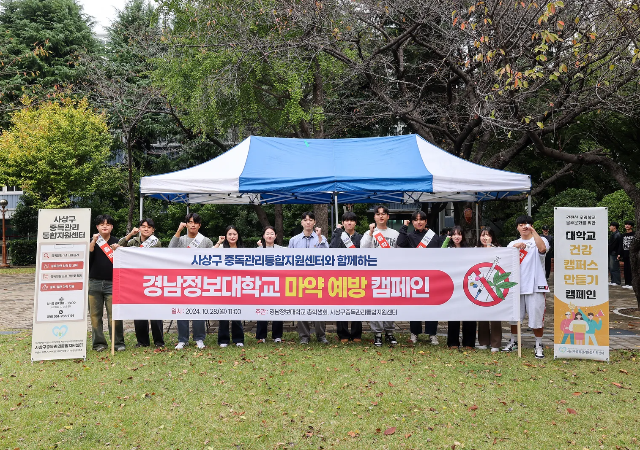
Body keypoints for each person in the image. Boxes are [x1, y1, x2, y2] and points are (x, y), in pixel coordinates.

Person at [502, 216, 549, 359]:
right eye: (521, 225)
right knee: (515, 317)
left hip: (535, 285)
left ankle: (538, 345)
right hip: (516, 286)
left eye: (527, 225)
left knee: (536, 317)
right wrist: (515, 248)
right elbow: (504, 260)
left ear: (532, 226)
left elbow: (543, 249)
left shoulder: (540, 240)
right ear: (517, 227)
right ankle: (513, 341)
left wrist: (534, 232)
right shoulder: (513, 243)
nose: (524, 227)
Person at [114, 218, 164, 348]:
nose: (146, 229)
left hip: (152, 279)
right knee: (138, 310)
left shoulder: (156, 242)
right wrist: (130, 234)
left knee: (155, 312)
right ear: (139, 228)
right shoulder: (133, 241)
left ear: (153, 230)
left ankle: (159, 341)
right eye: (143, 226)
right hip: (136, 280)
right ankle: (142, 341)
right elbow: (118, 247)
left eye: (149, 227)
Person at [169, 213, 213, 350]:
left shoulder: (206, 241)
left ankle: (199, 338)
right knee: (182, 310)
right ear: (186, 224)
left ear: (199, 225)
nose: (192, 225)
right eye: (190, 222)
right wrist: (178, 230)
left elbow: (212, 260)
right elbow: (170, 250)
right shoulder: (181, 239)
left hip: (200, 280)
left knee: (198, 310)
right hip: (182, 279)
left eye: (195, 222)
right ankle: (183, 339)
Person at [397, 210, 440, 346]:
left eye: (421, 219)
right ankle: (414, 333)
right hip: (414, 277)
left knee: (431, 306)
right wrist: (404, 227)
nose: (419, 222)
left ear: (426, 221)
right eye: (415, 220)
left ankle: (432, 334)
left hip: (431, 276)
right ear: (413, 222)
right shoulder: (409, 236)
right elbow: (400, 243)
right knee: (415, 306)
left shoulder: (434, 237)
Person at [360, 205, 399, 347]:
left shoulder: (395, 234)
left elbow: (400, 253)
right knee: (375, 304)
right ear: (374, 217)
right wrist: (371, 233)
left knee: (390, 303)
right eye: (378, 214)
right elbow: (362, 249)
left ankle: (389, 331)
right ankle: (377, 333)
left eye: (384, 214)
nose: (381, 216)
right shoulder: (369, 233)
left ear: (388, 216)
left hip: (390, 274)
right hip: (374, 274)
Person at [288, 211, 329, 344]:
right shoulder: (294, 240)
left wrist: (320, 239)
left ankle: (321, 335)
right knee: (301, 308)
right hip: (299, 279)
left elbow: (328, 256)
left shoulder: (321, 238)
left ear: (315, 222)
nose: (308, 222)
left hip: (317, 279)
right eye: (305, 220)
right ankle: (304, 336)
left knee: (319, 308)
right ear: (301, 222)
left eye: (311, 220)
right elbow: (289, 260)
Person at [88, 214, 125, 351]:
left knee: (114, 315)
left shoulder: (116, 242)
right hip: (94, 283)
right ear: (97, 227)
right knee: (95, 316)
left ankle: (118, 343)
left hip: (112, 283)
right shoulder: (93, 241)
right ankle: (99, 344)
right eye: (102, 224)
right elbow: (87, 256)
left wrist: (118, 250)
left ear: (112, 227)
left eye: (107, 224)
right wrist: (93, 241)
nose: (105, 226)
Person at [330, 211, 363, 343]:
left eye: (352, 220)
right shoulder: (338, 235)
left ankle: (356, 334)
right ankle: (343, 334)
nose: (349, 223)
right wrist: (337, 233)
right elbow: (332, 249)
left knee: (357, 304)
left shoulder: (360, 237)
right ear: (343, 223)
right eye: (346, 221)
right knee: (341, 305)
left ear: (355, 222)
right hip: (340, 275)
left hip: (357, 275)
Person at [214, 225, 245, 348]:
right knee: (224, 313)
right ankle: (223, 339)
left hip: (238, 284)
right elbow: (207, 255)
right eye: (230, 234)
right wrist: (218, 242)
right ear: (226, 236)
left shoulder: (242, 249)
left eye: (234, 234)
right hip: (223, 284)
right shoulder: (221, 248)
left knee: (237, 313)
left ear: (238, 236)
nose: (232, 237)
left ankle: (238, 339)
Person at [446, 226, 477, 348]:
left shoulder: (469, 250)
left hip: (467, 285)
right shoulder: (447, 249)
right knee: (453, 314)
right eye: (454, 234)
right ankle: (453, 342)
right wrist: (446, 239)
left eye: (459, 234)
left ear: (462, 236)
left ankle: (469, 343)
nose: (456, 237)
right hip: (452, 285)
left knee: (469, 314)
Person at [256, 226, 284, 344]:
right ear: (263, 236)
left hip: (278, 283)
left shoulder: (282, 249)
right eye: (267, 233)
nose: (269, 236)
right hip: (262, 283)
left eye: (272, 233)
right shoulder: (258, 250)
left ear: (275, 236)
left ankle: (277, 336)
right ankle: (261, 336)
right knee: (262, 310)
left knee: (278, 310)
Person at [476, 228, 502, 352]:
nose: (485, 238)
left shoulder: (499, 250)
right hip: (480, 285)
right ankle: (483, 341)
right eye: (482, 235)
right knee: (482, 315)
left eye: (487, 235)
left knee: (496, 314)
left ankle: (496, 343)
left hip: (495, 285)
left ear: (492, 237)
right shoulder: (476, 250)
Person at [619, 220, 634, 289]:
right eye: (626, 224)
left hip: (633, 255)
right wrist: (619, 254)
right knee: (626, 269)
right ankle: (627, 283)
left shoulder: (634, 235)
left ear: (632, 226)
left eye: (628, 224)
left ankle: (632, 283)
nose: (627, 226)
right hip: (625, 254)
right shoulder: (623, 235)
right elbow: (621, 245)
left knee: (632, 269)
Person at [608, 221, 622, 286]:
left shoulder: (617, 235)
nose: (609, 227)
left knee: (614, 267)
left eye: (610, 226)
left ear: (614, 227)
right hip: (612, 253)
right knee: (611, 267)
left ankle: (616, 281)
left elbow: (614, 245)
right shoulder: (614, 234)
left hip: (614, 253)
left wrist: (619, 254)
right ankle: (613, 280)